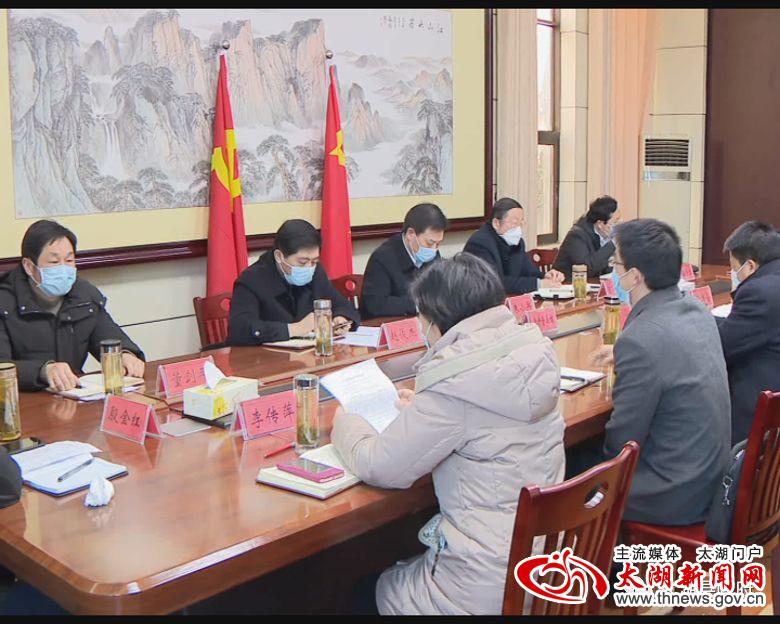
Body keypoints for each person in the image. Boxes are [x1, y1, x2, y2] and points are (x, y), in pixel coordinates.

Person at [332, 253, 565, 615]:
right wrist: (425, 411)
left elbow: (380, 466)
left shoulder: (455, 380)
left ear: (439, 319)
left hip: (486, 586)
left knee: (361, 592)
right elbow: (479, 419)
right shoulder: (533, 353)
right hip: (546, 568)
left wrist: (347, 422)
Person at [578, 219, 730, 525]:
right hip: (709, 474)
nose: (613, 272)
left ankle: (592, 555)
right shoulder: (696, 311)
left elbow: (622, 444)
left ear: (635, 276)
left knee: (570, 466)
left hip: (670, 491)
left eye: (615, 264)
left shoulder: (641, 339)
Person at [0, 220, 145, 392]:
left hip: (72, 398)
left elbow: (109, 337)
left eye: (69, 260)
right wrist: (43, 371)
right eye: (54, 262)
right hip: (22, 400)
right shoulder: (5, 303)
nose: (63, 269)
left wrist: (125, 355)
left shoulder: (84, 297)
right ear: (29, 266)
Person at [228, 219, 360, 345]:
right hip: (262, 357)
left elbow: (341, 304)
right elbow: (239, 329)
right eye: (302, 262)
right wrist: (293, 329)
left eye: (314, 261)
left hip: (308, 354)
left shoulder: (316, 272)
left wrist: (341, 318)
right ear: (279, 256)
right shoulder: (252, 279)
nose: (309, 267)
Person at [716, 221, 780, 444]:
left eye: (734, 269)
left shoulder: (759, 292)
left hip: (757, 424)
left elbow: (722, 347)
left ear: (751, 266)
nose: (734, 275)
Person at [360, 203, 448, 319]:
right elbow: (375, 304)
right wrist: (420, 305)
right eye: (430, 243)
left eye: (438, 243)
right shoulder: (382, 258)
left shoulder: (432, 254)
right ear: (411, 234)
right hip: (388, 323)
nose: (434, 249)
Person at [463, 197, 564, 295]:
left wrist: (546, 277)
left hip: (508, 299)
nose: (518, 229)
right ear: (496, 223)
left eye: (521, 223)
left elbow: (528, 270)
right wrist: (538, 284)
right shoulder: (480, 243)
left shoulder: (516, 242)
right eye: (515, 223)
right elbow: (495, 283)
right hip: (481, 302)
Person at [552, 195, 620, 281]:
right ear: (600, 224)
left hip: (592, 283)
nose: (619, 225)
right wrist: (612, 244)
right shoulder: (576, 236)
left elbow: (606, 267)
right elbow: (587, 268)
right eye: (615, 222)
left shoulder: (603, 234)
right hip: (567, 284)